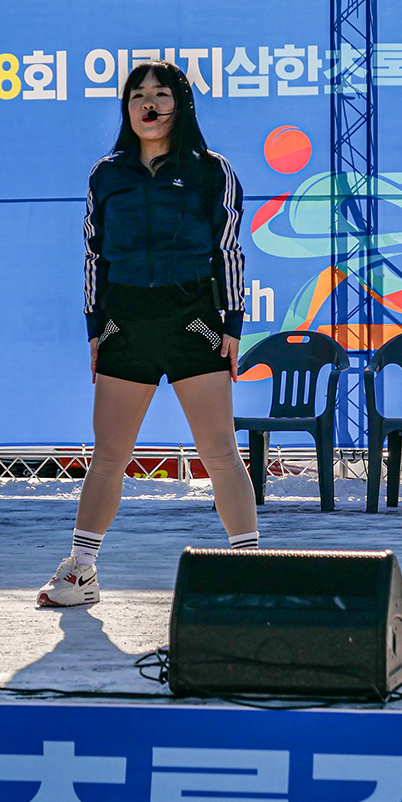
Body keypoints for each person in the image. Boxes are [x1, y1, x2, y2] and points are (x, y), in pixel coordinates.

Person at [37, 60, 258, 607]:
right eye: (138, 95)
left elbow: (228, 251)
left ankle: (251, 568)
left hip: (192, 321)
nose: (148, 104)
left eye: (160, 94)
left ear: (180, 105)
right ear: (127, 108)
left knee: (220, 451)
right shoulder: (106, 174)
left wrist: (232, 324)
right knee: (108, 455)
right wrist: (95, 327)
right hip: (126, 323)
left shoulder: (212, 170)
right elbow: (94, 255)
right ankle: (81, 570)